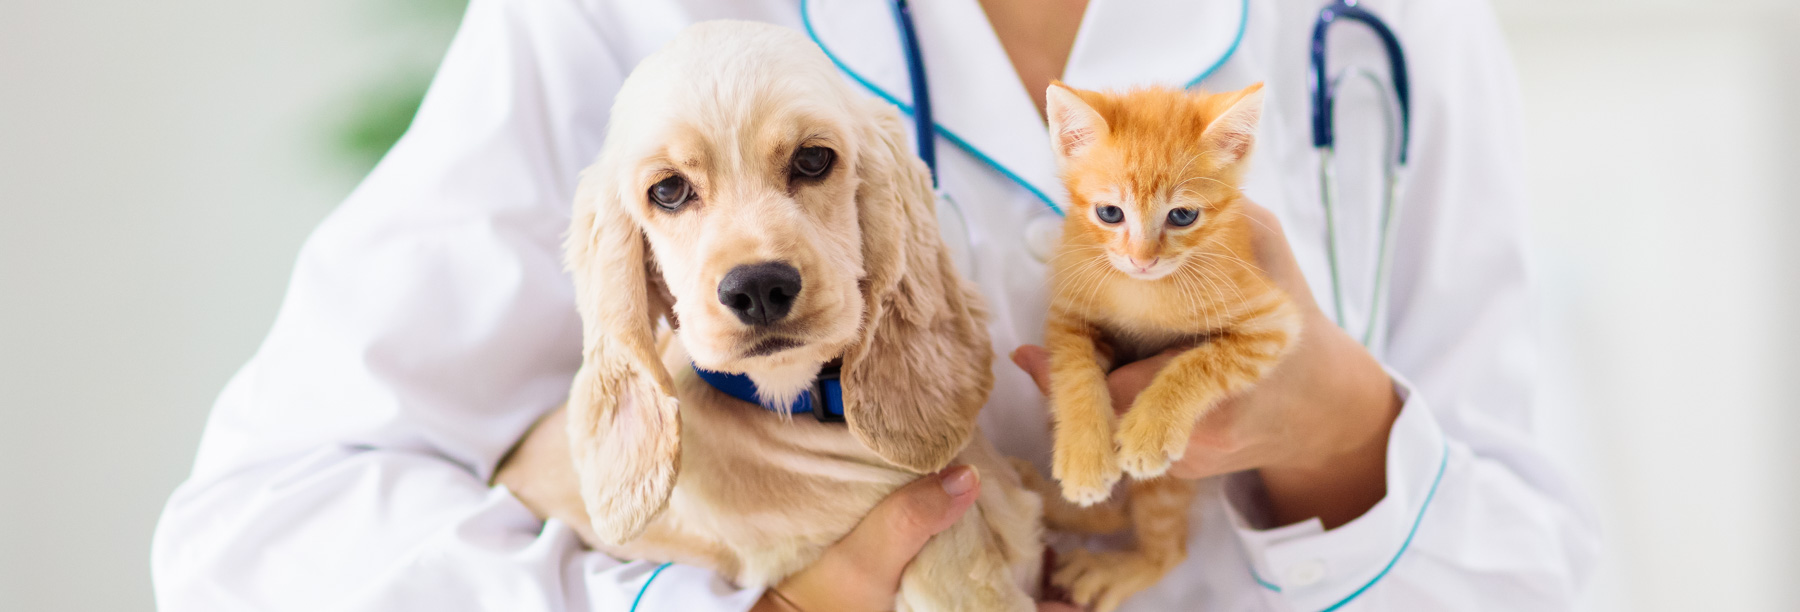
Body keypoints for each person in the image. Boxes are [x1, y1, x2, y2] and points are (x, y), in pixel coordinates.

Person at [151, 0, 1600, 610]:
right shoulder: (599, 22)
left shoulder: (1390, 29)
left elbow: (1551, 571)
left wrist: (1342, 436)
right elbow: (261, 534)